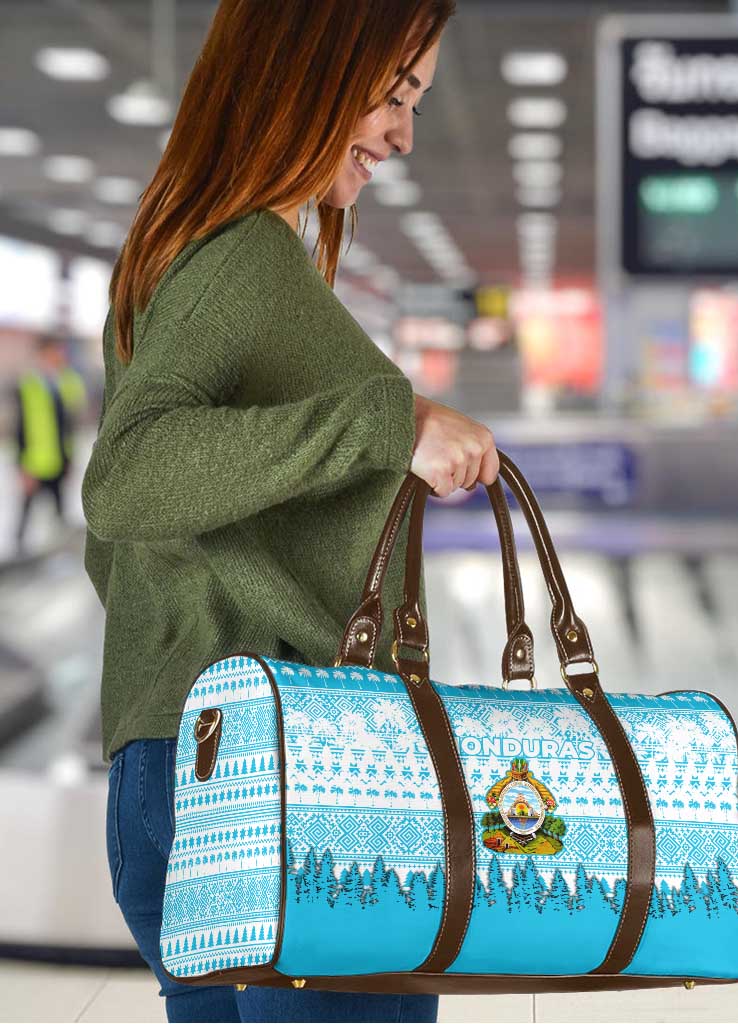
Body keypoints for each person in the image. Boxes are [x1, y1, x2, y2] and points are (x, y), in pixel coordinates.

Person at [80, 3, 496, 1021]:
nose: (402, 133)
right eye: (394, 94)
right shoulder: (241, 259)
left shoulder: (182, 254)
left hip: (180, 757)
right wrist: (387, 424)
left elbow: (121, 545)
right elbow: (127, 476)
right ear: (310, 66)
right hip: (295, 773)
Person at [11, 331, 85, 556]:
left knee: (60, 512)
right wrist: (22, 467)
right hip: (35, 463)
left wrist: (69, 459)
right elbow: (20, 428)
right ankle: (18, 555)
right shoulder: (28, 385)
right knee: (26, 513)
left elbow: (70, 420)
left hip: (59, 460)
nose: (59, 355)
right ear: (43, 353)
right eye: (54, 351)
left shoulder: (64, 381)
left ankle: (59, 554)